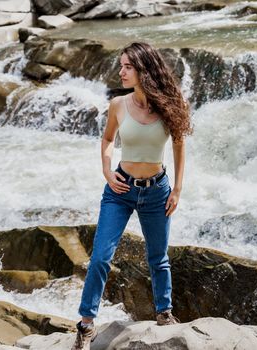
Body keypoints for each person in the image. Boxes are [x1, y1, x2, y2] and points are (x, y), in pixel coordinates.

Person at [71, 42, 192, 350]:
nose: (121, 71)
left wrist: (177, 189)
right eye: (121, 65)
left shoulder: (169, 103)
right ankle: (86, 326)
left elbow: (178, 145)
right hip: (119, 190)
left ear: (144, 69)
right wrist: (107, 172)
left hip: (156, 190)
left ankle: (164, 314)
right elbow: (108, 139)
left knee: (158, 258)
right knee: (100, 258)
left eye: (128, 66)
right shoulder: (118, 104)